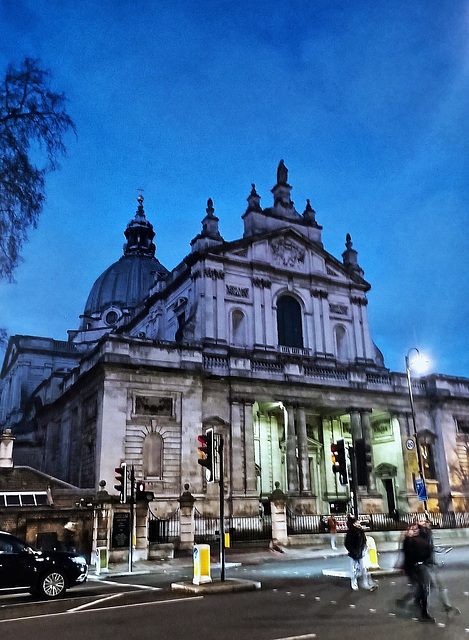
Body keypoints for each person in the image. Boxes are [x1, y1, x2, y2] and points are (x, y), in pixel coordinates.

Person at [398, 518, 435, 622]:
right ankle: (423, 613)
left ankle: (418, 604)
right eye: (413, 529)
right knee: (422, 588)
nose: (416, 531)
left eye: (416, 529)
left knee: (424, 588)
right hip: (413, 568)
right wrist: (408, 538)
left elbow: (428, 542)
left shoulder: (421, 537)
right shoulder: (408, 541)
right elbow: (408, 554)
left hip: (422, 566)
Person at [344, 515, 377, 591]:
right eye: (356, 522)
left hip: (361, 553)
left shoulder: (360, 531)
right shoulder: (350, 532)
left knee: (364, 569)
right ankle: (354, 584)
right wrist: (353, 551)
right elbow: (347, 544)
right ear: (353, 524)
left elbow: (364, 541)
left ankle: (366, 583)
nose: (358, 523)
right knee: (353, 570)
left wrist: (364, 549)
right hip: (353, 554)